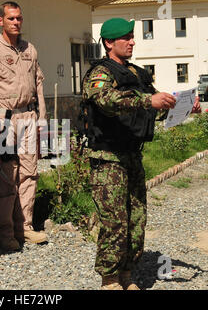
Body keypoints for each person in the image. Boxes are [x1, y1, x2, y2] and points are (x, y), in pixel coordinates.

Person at [80, 17, 201, 290]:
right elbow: (106, 101)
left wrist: (178, 107)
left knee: (136, 218)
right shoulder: (100, 74)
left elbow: (153, 108)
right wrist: (149, 100)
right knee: (114, 221)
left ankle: (127, 273)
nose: (133, 41)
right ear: (109, 43)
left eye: (133, 36)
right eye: (127, 37)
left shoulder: (136, 74)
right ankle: (109, 279)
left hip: (132, 155)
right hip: (108, 159)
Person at [0, 1, 48, 251]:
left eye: (19, 18)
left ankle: (25, 226)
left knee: (29, 173)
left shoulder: (30, 49)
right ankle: (6, 231)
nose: (16, 23)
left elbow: (38, 84)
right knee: (8, 175)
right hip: (3, 119)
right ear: (1, 21)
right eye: (11, 19)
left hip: (28, 117)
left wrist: (42, 120)